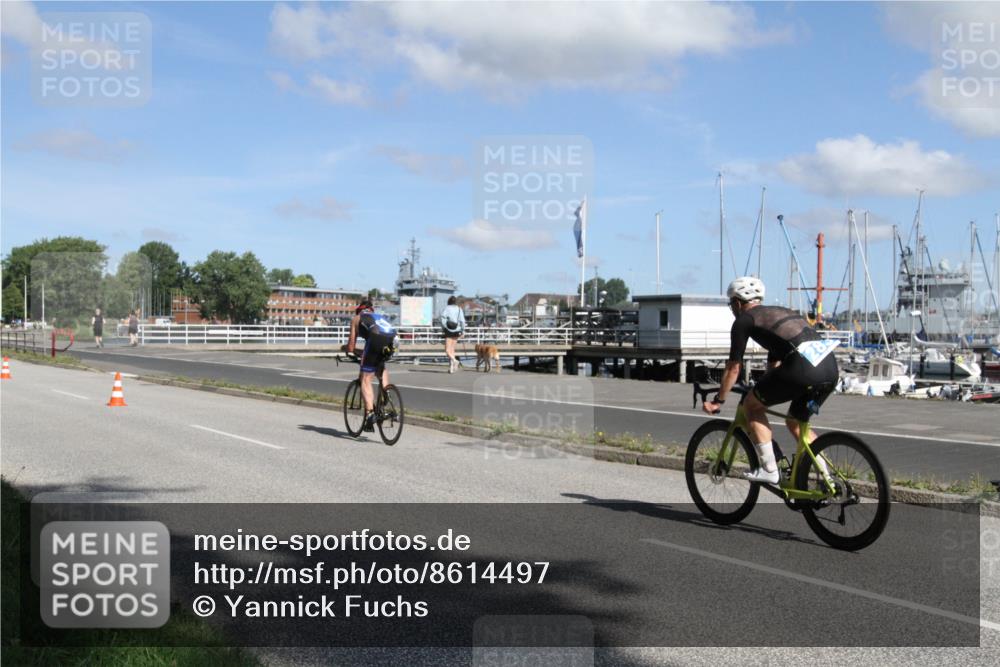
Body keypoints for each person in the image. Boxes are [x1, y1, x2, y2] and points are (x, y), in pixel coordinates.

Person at [703, 276, 840, 484]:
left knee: (751, 407)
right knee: (795, 422)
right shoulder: (780, 314)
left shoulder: (744, 320)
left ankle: (769, 469)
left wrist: (718, 400)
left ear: (738, 302)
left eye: (731, 303)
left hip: (802, 369)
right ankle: (829, 481)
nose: (732, 308)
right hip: (829, 369)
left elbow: (733, 367)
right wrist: (763, 386)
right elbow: (775, 365)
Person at [344, 299, 397, 432]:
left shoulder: (356, 318)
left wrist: (344, 348)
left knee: (366, 379)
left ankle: (370, 413)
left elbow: (351, 347)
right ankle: (386, 392)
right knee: (381, 367)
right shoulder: (378, 317)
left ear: (359, 311)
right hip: (391, 337)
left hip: (376, 337)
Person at [440, 296, 466, 373]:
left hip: (448, 330)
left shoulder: (447, 308)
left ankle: (455, 360)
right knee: (452, 350)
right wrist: (463, 330)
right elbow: (462, 321)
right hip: (457, 330)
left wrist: (444, 326)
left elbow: (442, 318)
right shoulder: (459, 309)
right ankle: (452, 368)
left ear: (449, 301)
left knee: (447, 350)